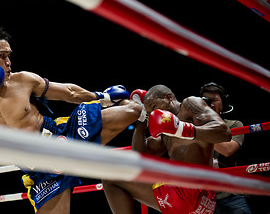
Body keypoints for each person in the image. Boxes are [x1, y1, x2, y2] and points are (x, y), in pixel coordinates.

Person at [0, 23, 141, 214]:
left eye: (9, 56)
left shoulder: (22, 80)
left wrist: (102, 97)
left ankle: (161, 119)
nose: (8, 62)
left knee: (132, 111)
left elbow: (68, 92)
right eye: (2, 56)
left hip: (62, 135)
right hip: (39, 166)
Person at [103, 84, 232, 214]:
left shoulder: (190, 104)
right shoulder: (166, 132)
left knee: (111, 179)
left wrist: (181, 129)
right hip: (184, 198)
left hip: (197, 190)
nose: (153, 113)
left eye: (154, 107)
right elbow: (139, 156)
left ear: (169, 97)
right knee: (110, 177)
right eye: (149, 112)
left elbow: (224, 132)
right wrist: (141, 119)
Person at [200, 82, 251, 214]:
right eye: (206, 101)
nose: (211, 104)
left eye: (215, 100)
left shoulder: (235, 124)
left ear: (224, 102)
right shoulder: (194, 127)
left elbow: (228, 150)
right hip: (202, 197)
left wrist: (195, 133)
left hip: (231, 194)